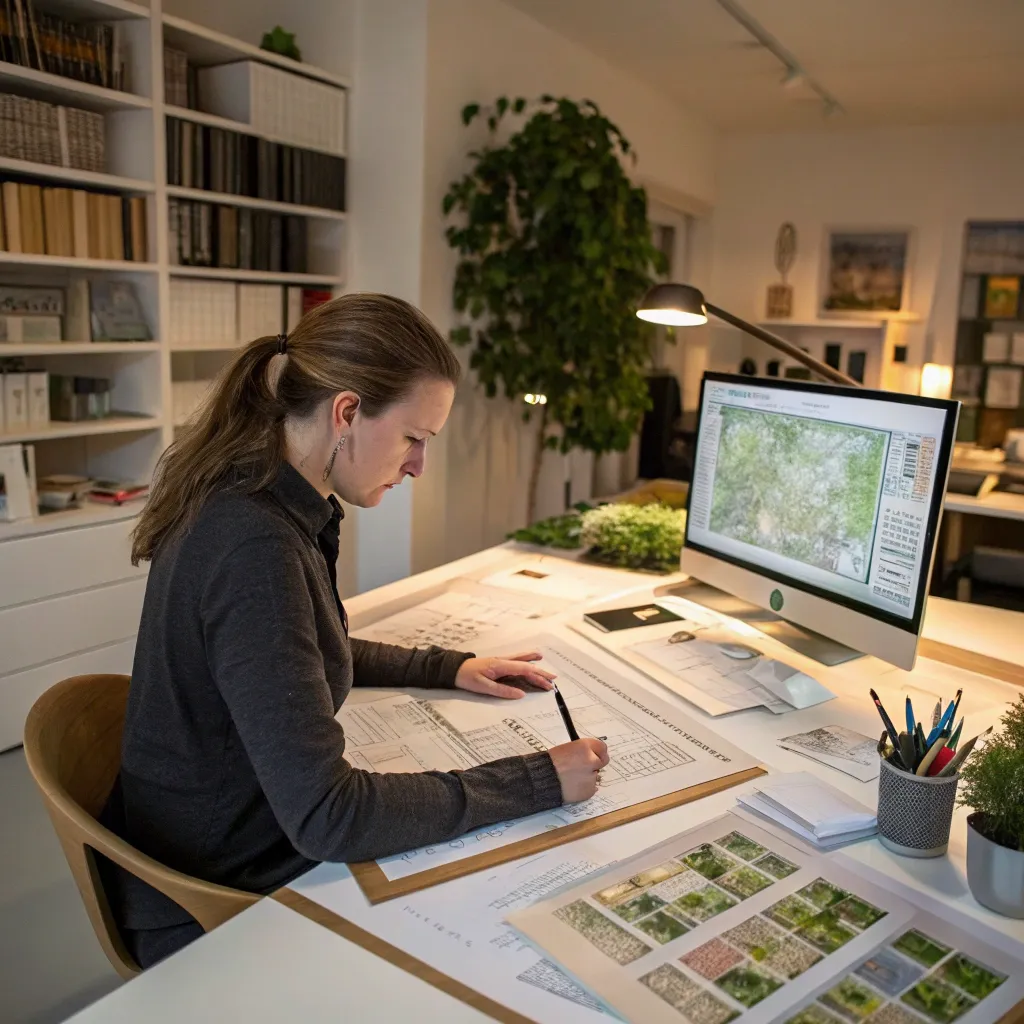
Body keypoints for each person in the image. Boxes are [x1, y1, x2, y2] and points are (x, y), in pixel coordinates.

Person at [102, 293, 609, 967]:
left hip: (213, 839)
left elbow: (296, 649)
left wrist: (444, 667)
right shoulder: (254, 547)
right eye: (414, 439)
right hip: (208, 901)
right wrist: (537, 780)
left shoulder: (257, 493)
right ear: (346, 412)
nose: (418, 466)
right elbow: (330, 816)